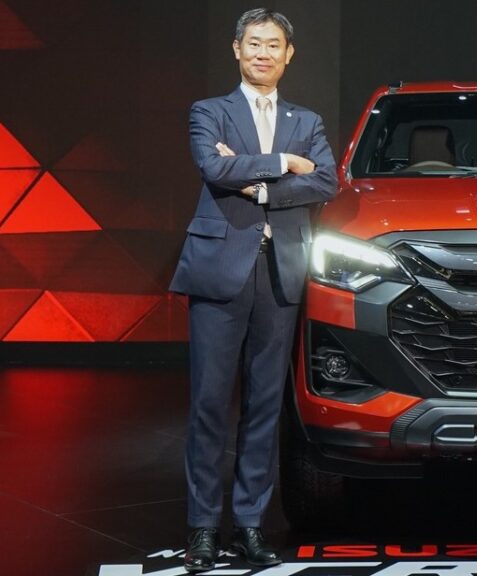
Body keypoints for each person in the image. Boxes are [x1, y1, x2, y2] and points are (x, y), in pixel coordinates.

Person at [169, 8, 336, 573]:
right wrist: (283, 163)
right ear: (237, 49)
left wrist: (258, 185)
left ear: (289, 55)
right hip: (220, 269)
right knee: (209, 403)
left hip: (280, 270)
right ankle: (201, 527)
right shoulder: (209, 111)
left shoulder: (306, 119)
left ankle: (249, 525)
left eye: (274, 45)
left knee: (265, 405)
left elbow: (325, 181)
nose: (264, 53)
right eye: (255, 43)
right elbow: (211, 168)